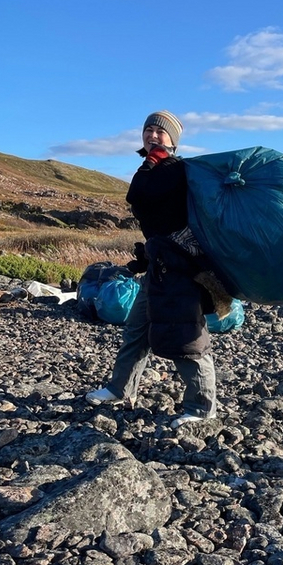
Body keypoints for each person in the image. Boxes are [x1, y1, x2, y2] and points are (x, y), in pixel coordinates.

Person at [86, 110, 231, 427]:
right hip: (160, 263)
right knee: (137, 329)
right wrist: (147, 255)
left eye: (160, 132)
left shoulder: (173, 169)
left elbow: (139, 193)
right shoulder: (155, 167)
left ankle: (203, 408)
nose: (152, 135)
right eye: (148, 130)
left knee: (185, 333)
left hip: (182, 267)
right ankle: (120, 389)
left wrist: (153, 160)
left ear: (173, 140)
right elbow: (156, 216)